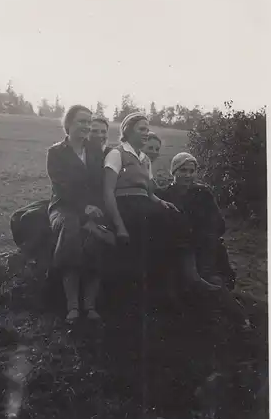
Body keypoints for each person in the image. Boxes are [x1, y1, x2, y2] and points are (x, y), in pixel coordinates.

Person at [103, 112, 220, 292]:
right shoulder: (116, 153)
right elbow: (108, 191)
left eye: (147, 129)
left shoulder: (144, 159)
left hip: (144, 204)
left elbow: (150, 193)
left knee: (176, 220)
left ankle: (189, 275)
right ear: (128, 130)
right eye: (141, 129)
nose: (145, 133)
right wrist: (119, 226)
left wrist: (163, 203)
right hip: (125, 205)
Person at [46, 105, 106, 322]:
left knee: (97, 236)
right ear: (69, 123)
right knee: (70, 229)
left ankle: (89, 305)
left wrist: (94, 209)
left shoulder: (95, 149)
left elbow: (99, 184)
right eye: (82, 121)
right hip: (64, 206)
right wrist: (83, 209)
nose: (86, 126)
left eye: (89, 122)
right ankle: (72, 305)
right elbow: (62, 187)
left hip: (92, 206)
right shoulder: (55, 152)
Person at [158, 152, 236, 289]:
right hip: (177, 247)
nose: (188, 175)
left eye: (191, 171)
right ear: (174, 172)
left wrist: (204, 235)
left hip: (203, 244)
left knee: (214, 277)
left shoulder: (203, 193)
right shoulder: (164, 195)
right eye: (183, 170)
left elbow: (217, 222)